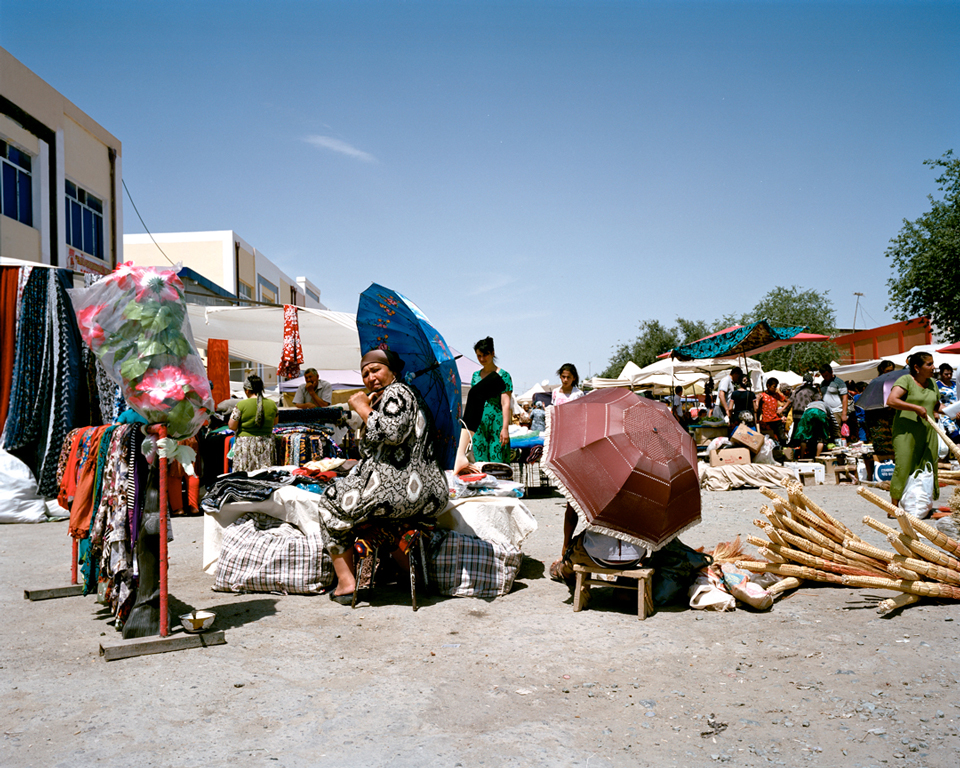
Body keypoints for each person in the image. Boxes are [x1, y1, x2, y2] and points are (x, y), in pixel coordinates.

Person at [320, 349, 448, 603]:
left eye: (376, 370)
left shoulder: (397, 392)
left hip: (398, 490)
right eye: (365, 373)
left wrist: (361, 407)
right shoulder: (411, 396)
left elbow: (392, 433)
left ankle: (346, 583)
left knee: (330, 503)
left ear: (393, 371)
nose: (370, 377)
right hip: (429, 492)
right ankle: (410, 574)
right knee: (380, 519)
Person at [887, 351, 943, 510]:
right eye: (929, 364)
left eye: (933, 363)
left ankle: (921, 502)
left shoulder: (932, 383)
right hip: (906, 432)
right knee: (904, 465)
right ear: (917, 367)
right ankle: (894, 506)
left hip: (927, 431)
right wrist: (915, 408)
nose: (933, 367)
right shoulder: (905, 380)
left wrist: (952, 411)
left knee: (927, 464)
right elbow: (891, 400)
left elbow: (936, 405)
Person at [470, 337, 513, 463]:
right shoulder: (475, 376)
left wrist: (505, 428)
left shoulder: (503, 375)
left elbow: (505, 404)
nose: (482, 359)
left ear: (493, 353)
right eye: (479, 356)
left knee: (497, 463)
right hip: (479, 425)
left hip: (497, 423)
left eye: (485, 355)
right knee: (480, 464)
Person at [228, 375, 279, 472]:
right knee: (264, 475)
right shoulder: (272, 404)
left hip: (246, 446)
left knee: (246, 476)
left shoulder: (241, 405)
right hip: (266, 444)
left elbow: (232, 426)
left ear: (247, 390)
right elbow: (275, 422)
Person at [819, 364, 848, 443]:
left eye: (826, 375)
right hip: (826, 412)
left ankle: (839, 450)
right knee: (828, 432)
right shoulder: (822, 383)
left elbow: (845, 398)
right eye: (823, 376)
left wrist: (844, 413)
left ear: (831, 372)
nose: (825, 377)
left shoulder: (839, 382)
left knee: (837, 432)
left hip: (837, 411)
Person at [755, 377, 788, 443]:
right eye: (774, 387)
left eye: (776, 387)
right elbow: (756, 408)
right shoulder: (762, 396)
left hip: (776, 420)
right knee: (768, 440)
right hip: (766, 422)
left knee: (782, 439)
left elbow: (788, 401)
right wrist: (758, 400)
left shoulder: (776, 395)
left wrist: (782, 409)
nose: (775, 389)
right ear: (768, 386)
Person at [936, 363, 959, 441]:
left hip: (957, 413)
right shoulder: (936, 385)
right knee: (953, 432)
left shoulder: (955, 384)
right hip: (944, 414)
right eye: (946, 374)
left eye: (950, 374)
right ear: (941, 374)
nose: (949, 376)